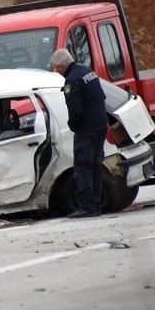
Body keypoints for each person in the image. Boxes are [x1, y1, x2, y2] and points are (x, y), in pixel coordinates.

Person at [49, 48, 108, 218]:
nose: (56, 71)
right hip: (100, 125)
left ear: (61, 66)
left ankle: (88, 207)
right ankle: (96, 204)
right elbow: (102, 97)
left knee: (83, 167)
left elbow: (75, 109)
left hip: (86, 129)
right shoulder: (87, 71)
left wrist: (73, 126)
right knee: (96, 165)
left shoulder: (71, 80)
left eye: (55, 68)